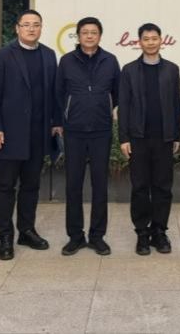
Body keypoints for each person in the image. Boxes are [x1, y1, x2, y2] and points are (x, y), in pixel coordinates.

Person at [0, 9, 59, 260]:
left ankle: (26, 231)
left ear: (41, 28)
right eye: (26, 24)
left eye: (36, 24)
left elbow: (54, 93)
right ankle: (5, 236)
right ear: (17, 28)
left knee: (31, 185)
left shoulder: (48, 55)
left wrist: (56, 122)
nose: (31, 28)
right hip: (9, 133)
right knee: (6, 186)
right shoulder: (2, 55)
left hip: (38, 134)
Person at [56, 16, 121, 256]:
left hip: (101, 131)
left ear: (100, 36)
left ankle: (97, 236)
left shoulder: (110, 61)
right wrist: (60, 121)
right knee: (73, 185)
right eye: (85, 32)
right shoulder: (67, 61)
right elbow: (58, 93)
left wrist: (106, 108)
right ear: (79, 36)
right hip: (73, 131)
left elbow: (118, 92)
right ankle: (75, 236)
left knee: (99, 185)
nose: (89, 36)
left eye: (94, 32)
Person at [118, 23, 180, 256]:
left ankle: (160, 232)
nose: (151, 42)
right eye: (146, 39)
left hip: (164, 138)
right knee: (140, 188)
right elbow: (123, 106)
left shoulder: (171, 69)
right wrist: (124, 137)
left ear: (161, 40)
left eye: (155, 38)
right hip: (138, 138)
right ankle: (142, 234)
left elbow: (176, 104)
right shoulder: (129, 70)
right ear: (140, 42)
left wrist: (176, 135)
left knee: (163, 187)